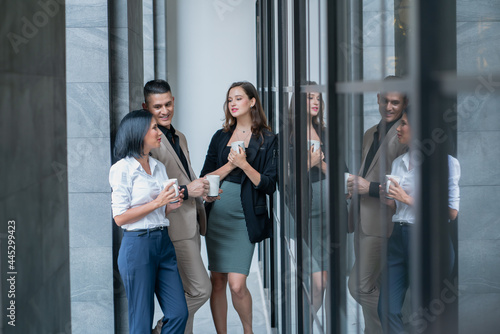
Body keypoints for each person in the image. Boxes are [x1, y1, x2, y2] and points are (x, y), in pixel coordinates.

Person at [200, 81, 278, 334]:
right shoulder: (220, 136)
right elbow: (205, 176)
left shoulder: (268, 139)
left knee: (237, 284)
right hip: (218, 216)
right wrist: (226, 171)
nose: (233, 104)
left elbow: (268, 185)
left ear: (252, 101)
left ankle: (248, 331)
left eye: (238, 98)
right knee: (218, 281)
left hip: (245, 218)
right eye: (229, 99)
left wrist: (243, 164)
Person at [377, 109, 460, 333]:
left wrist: (406, 198)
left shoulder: (446, 163)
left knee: (423, 312)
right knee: (386, 309)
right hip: (398, 238)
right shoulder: (398, 163)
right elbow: (399, 208)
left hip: (427, 240)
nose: (398, 128)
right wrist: (391, 201)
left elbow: (451, 212)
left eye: (403, 124)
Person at [142, 79, 212, 334]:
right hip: (173, 227)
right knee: (201, 290)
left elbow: (184, 175)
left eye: (168, 104)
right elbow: (149, 191)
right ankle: (162, 330)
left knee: (188, 290)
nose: (164, 110)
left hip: (191, 221)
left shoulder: (178, 136)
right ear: (145, 107)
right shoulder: (147, 141)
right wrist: (185, 191)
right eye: (157, 106)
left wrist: (201, 192)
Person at [109, 109, 188, 333]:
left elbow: (160, 212)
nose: (159, 131)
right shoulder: (122, 169)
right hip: (137, 246)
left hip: (163, 243)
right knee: (141, 322)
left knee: (178, 313)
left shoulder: (158, 167)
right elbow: (120, 217)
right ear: (139, 133)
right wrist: (157, 203)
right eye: (154, 127)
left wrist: (169, 205)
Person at [347, 76, 408, 334]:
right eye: (385, 100)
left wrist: (367, 188)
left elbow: (405, 187)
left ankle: (392, 324)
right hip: (362, 220)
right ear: (378, 99)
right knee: (374, 285)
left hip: (384, 225)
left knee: (359, 287)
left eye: (396, 102)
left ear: (404, 103)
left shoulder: (405, 135)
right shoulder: (369, 133)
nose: (389, 106)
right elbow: (367, 172)